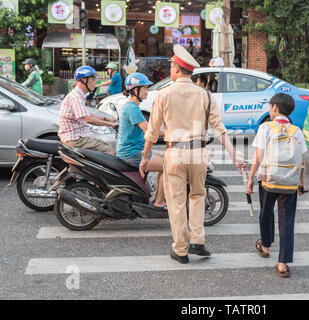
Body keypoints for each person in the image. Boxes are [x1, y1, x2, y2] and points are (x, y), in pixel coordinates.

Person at [139, 44, 246, 264]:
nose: (170, 68)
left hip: (175, 153)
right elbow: (219, 129)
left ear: (177, 69)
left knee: (177, 202)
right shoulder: (205, 95)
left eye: (171, 65)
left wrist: (145, 157)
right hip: (198, 153)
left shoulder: (164, 94)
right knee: (197, 196)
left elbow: (151, 132)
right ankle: (198, 240)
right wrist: (235, 156)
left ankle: (181, 249)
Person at [246, 93, 307, 278]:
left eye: (270, 106)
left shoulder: (266, 128)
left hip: (268, 179)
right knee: (287, 220)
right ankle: (283, 263)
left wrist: (250, 179)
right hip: (289, 181)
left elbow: (258, 157)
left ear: (275, 108)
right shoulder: (296, 131)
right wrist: (301, 182)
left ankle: (265, 246)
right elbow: (303, 160)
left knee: (266, 212)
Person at [116, 72, 166, 209]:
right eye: (144, 88)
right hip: (132, 154)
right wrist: (169, 133)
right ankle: (159, 202)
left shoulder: (131, 106)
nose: (147, 91)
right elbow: (149, 131)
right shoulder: (133, 109)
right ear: (135, 90)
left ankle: (157, 196)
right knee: (168, 165)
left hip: (132, 151)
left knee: (164, 160)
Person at [58, 66, 117, 155]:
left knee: (106, 144)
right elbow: (88, 119)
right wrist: (112, 124)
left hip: (81, 136)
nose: (95, 82)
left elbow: (87, 114)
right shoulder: (76, 97)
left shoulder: (80, 95)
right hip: (76, 139)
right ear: (83, 81)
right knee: (108, 151)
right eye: (93, 79)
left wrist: (107, 119)